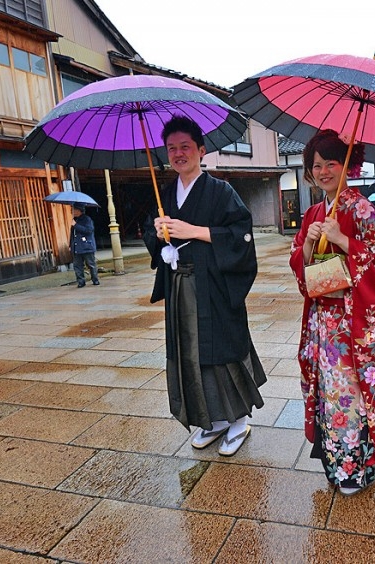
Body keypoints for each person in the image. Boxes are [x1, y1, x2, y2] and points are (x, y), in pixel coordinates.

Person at [144, 115, 266, 456]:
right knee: (191, 354)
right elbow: (151, 235)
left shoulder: (220, 191)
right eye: (172, 148)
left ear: (201, 150)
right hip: (180, 288)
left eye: (185, 146)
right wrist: (157, 232)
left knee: (221, 351)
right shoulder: (165, 193)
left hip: (214, 286)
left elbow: (241, 235)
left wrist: (192, 231)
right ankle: (212, 420)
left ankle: (239, 420)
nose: (179, 153)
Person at [288, 129, 375, 495]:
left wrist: (341, 239)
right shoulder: (313, 213)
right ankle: (338, 466)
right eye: (316, 165)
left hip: (353, 324)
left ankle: (357, 469)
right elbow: (298, 263)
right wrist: (306, 244)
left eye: (330, 163)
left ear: (347, 165)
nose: (323, 172)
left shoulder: (363, 210)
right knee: (327, 393)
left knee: (349, 394)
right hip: (323, 323)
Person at [70, 203, 99, 288]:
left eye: (74, 210)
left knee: (91, 264)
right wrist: (70, 245)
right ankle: (81, 281)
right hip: (76, 246)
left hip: (86, 246)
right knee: (77, 265)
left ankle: (95, 279)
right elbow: (72, 234)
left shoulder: (87, 219)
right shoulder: (74, 219)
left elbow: (89, 230)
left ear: (79, 210)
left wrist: (76, 225)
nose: (73, 211)